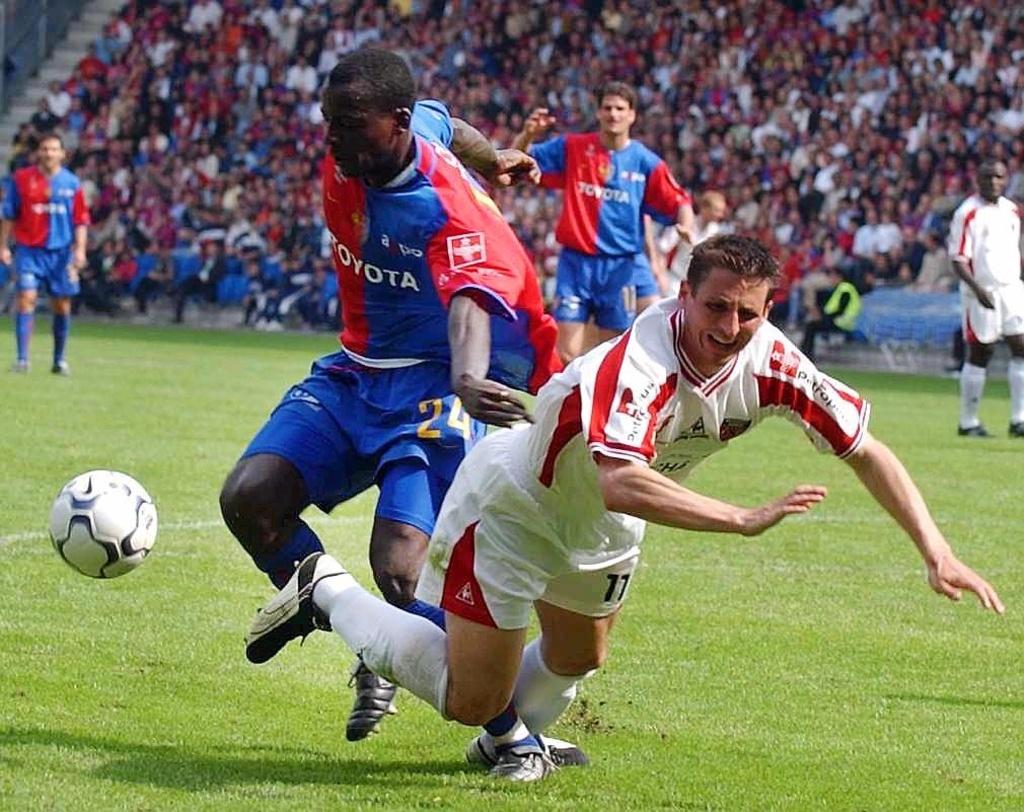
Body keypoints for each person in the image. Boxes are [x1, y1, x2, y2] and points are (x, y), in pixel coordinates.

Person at [245, 235, 1003, 783]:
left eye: (746, 313)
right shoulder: (638, 360)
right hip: (515, 508)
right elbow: (622, 481)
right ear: (683, 295)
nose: (727, 329)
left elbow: (866, 447)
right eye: (714, 308)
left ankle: (501, 748)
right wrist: (738, 518)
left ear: (769, 310)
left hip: (601, 527)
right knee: (470, 696)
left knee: (581, 656)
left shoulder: (772, 361)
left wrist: (934, 550)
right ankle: (326, 592)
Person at [220, 49, 561, 745]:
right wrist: (496, 155)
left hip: (431, 389)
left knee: (403, 574)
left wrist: (468, 380)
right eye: (327, 123)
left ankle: (509, 731)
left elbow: (470, 300)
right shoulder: (399, 134)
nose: (331, 139)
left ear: (396, 125)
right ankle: (346, 618)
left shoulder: (445, 205)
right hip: (352, 373)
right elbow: (451, 120)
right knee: (249, 499)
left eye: (347, 125)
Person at [511, 86, 695, 363]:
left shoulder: (646, 162)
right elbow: (516, 161)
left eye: (620, 108)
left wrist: (685, 226)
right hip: (575, 263)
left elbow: (680, 201)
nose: (613, 114)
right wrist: (527, 135)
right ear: (598, 112)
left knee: (614, 354)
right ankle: (575, 404)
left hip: (620, 268)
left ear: (632, 115)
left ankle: (606, 404)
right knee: (567, 352)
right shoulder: (573, 147)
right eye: (607, 107)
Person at [1, 132, 89, 374]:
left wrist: (80, 251)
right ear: (38, 153)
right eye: (44, 149)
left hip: (61, 254)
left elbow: (81, 220)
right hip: (30, 251)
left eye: (53, 149)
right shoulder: (21, 179)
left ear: (62, 153)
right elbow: (9, 214)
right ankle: (22, 359)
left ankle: (59, 360)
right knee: (26, 298)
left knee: (61, 305)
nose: (48, 153)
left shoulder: (72, 184)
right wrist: (3, 246)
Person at [947, 160, 1024, 437]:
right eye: (988, 176)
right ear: (977, 179)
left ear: (1006, 180)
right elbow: (957, 258)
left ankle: (1019, 419)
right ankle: (968, 422)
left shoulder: (1012, 211)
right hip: (981, 290)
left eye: (999, 177)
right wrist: (978, 290)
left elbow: (1014, 250)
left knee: (1020, 346)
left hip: (1012, 288)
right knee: (982, 351)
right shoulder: (967, 213)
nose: (993, 182)